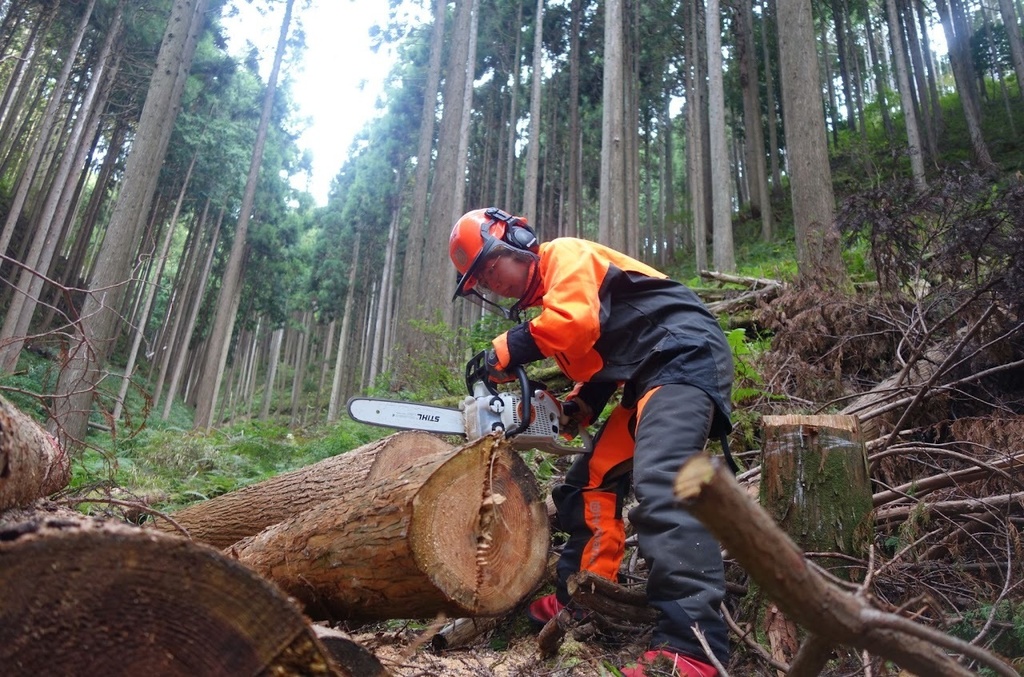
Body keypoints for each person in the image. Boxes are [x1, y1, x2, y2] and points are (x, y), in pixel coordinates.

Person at [448, 207, 734, 677]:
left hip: (684, 357)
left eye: (491, 267)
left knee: (663, 479)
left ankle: (693, 647)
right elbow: (601, 362)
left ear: (517, 241)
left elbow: (578, 324)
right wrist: (576, 406)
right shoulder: (553, 308)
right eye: (480, 280)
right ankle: (586, 596)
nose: (492, 282)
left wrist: (508, 348)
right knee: (586, 484)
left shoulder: (565, 256)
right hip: (648, 375)